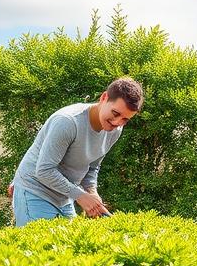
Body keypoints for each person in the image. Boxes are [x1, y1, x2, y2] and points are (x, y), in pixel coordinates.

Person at [10, 77, 143, 227]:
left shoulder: (114, 130)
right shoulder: (68, 122)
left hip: (64, 196)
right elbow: (44, 170)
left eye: (125, 119)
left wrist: (92, 192)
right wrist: (80, 195)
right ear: (104, 97)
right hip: (35, 190)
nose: (118, 122)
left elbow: (92, 167)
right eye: (115, 113)